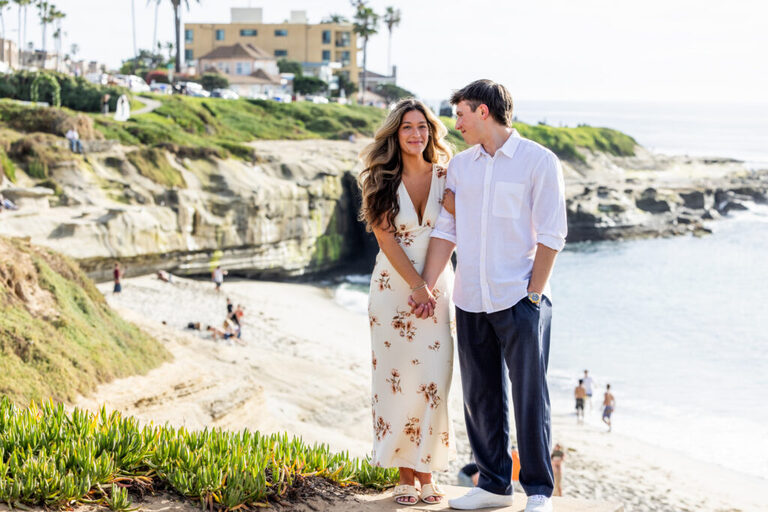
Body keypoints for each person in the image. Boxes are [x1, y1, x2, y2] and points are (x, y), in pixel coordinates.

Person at [413, 80, 567, 512]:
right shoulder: (460, 167)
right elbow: (447, 229)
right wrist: (426, 283)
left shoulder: (539, 161)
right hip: (470, 297)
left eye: (460, 113)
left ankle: (538, 491)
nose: (455, 122)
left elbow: (553, 233)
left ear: (483, 112)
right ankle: (495, 485)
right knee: (479, 395)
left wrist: (534, 295)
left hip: (521, 297)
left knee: (529, 396)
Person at [358, 98, 456, 506]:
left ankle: (428, 470)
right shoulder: (378, 178)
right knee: (397, 382)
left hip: (437, 289)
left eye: (423, 127)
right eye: (407, 128)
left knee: (434, 381)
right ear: (395, 134)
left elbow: (446, 233)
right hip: (393, 290)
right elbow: (386, 238)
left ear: (432, 132)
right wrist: (416, 287)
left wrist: (428, 286)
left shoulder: (447, 176)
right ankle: (404, 475)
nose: (417, 134)